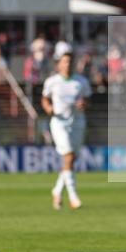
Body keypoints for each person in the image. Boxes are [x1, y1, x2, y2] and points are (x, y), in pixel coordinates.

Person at [41, 51, 91, 210]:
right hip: (59, 122)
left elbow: (87, 99)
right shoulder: (52, 82)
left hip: (77, 121)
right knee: (68, 156)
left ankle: (57, 190)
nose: (67, 64)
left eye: (70, 61)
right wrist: (48, 107)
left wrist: (84, 105)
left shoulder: (81, 81)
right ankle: (73, 197)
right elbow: (44, 98)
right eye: (64, 61)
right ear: (59, 64)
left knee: (71, 159)